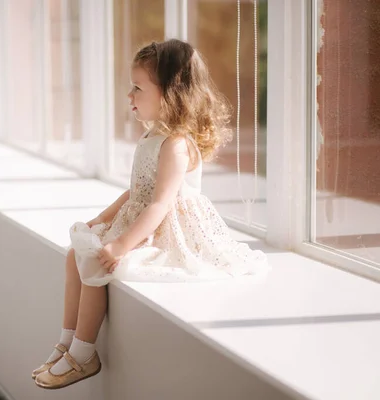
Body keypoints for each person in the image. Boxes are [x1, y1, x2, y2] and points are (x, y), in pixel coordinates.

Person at [33, 39, 270, 390]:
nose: (130, 96)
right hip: (141, 219)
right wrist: (102, 220)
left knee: (95, 264)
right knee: (74, 256)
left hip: (170, 229)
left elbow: (160, 204)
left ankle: (84, 354)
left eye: (138, 88)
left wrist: (121, 245)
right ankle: (67, 341)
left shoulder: (176, 145)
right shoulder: (152, 136)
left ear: (171, 94)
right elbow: (135, 191)